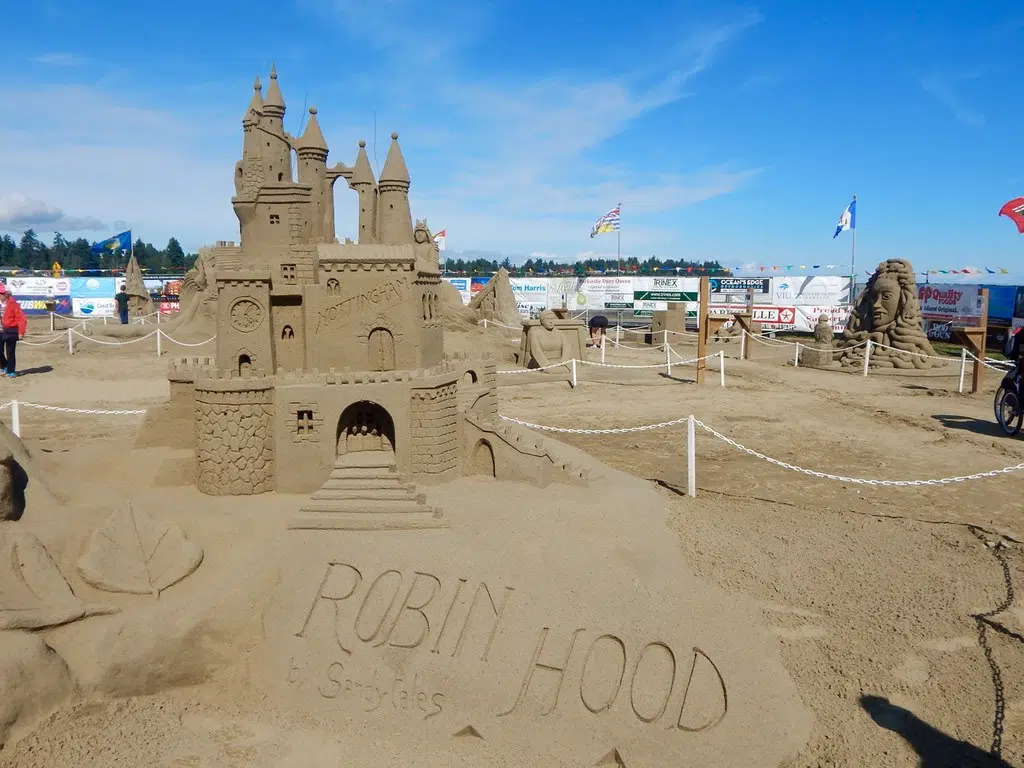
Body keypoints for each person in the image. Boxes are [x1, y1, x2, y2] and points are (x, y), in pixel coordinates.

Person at [0, 284, 27, 378]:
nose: (1, 294)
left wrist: (21, 332)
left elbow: (21, 319)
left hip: (11, 330)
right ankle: (4, 365)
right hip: (0, 330)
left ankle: (11, 370)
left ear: (7, 294)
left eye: (2, 293)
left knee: (10, 351)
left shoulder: (13, 304)